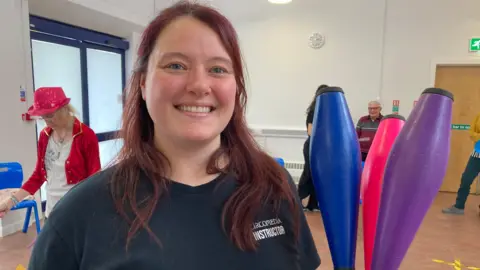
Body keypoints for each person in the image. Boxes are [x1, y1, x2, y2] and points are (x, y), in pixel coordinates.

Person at [28, 2, 321, 270]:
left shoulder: (275, 185)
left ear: (236, 88)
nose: (199, 85)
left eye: (218, 69)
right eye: (176, 65)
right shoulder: (80, 214)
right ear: (142, 84)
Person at [0, 87, 100, 219]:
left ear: (64, 108)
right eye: (43, 117)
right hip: (52, 211)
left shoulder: (86, 135)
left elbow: (95, 178)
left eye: (50, 115)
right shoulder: (45, 135)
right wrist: (10, 202)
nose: (47, 122)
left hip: (77, 213)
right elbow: (38, 176)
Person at [442, 112, 480, 215]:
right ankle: (459, 206)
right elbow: (472, 132)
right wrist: (478, 136)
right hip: (477, 155)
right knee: (466, 179)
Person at [298, 84, 328, 212]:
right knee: (309, 172)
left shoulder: (327, 112)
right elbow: (310, 131)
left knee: (319, 174)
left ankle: (313, 204)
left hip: (322, 147)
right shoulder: (313, 111)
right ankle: (300, 198)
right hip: (312, 146)